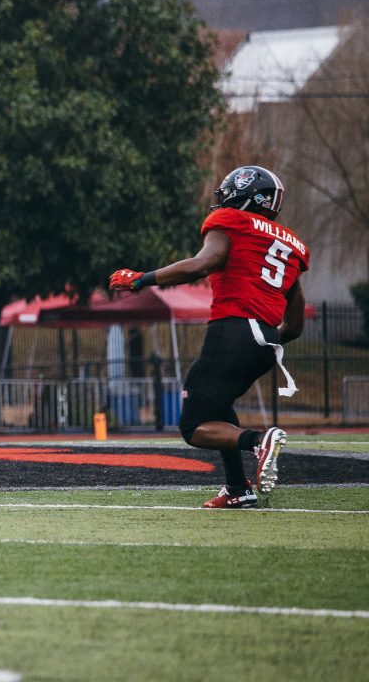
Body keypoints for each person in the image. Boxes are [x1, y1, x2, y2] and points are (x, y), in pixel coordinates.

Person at [109, 165, 307, 509]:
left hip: (233, 328)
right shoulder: (292, 244)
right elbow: (297, 323)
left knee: (194, 426)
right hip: (266, 340)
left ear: (242, 193)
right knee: (218, 405)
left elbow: (204, 263)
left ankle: (258, 441)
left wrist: (142, 279)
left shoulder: (232, 220)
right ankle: (237, 488)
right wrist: (261, 339)